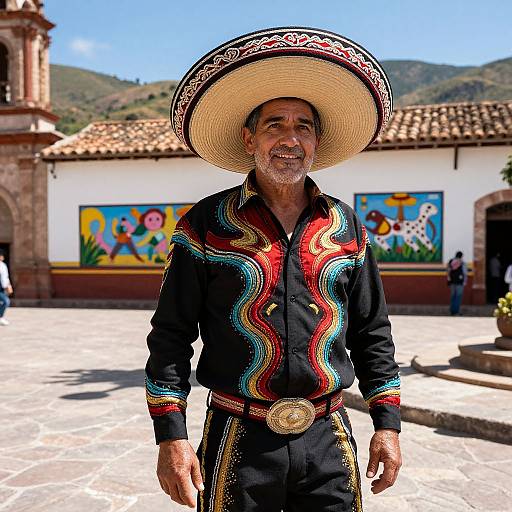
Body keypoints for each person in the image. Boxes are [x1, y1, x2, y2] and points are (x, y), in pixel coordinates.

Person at [146, 27, 401, 511]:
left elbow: (373, 333)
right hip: (238, 437)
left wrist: (387, 424)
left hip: (330, 434)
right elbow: (170, 336)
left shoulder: (347, 227)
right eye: (274, 125)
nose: (290, 139)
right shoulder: (204, 225)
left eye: (303, 126)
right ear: (249, 139)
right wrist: (171, 438)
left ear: (317, 141)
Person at [447, 250, 467, 315]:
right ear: (461, 256)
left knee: (452, 296)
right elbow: (465, 273)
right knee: (458, 297)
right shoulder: (462, 263)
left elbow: (448, 271)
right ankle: (456, 311)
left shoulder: (451, 261)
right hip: (459, 282)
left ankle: (452, 311)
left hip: (452, 281)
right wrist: (465, 281)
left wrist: (449, 280)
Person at [0, 249, 13, 326]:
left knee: (5, 301)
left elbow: (5, 277)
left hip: (1, 288)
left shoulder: (3, 265)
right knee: (6, 301)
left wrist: (8, 286)